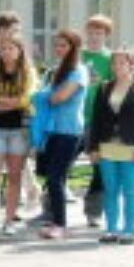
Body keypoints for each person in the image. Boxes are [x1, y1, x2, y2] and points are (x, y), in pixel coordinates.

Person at [0, 34, 39, 236]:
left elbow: (28, 99)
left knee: (14, 176)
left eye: (11, 48)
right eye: (3, 49)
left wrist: (3, 102)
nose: (7, 52)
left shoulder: (27, 72)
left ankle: (9, 220)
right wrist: (13, 102)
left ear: (20, 51)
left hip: (20, 129)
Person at [88, 48, 134, 245]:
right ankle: (111, 229)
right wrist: (93, 148)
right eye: (114, 63)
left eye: (121, 62)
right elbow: (96, 119)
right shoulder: (104, 87)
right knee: (110, 190)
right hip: (107, 146)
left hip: (131, 148)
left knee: (130, 191)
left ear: (131, 64)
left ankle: (129, 230)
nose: (117, 66)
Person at [35, 29, 89, 240]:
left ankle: (60, 224)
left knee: (56, 177)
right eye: (57, 45)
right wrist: (46, 95)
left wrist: (44, 96)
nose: (59, 49)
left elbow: (59, 97)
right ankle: (55, 219)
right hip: (52, 130)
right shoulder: (56, 70)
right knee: (54, 177)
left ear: (74, 48)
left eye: (64, 45)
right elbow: (48, 95)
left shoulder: (79, 70)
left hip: (70, 131)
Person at [79, 14, 114, 227]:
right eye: (91, 32)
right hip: (74, 118)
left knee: (99, 165)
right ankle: (51, 208)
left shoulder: (110, 58)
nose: (94, 37)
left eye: (99, 33)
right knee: (61, 163)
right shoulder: (77, 55)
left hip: (98, 119)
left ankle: (93, 211)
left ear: (106, 35)